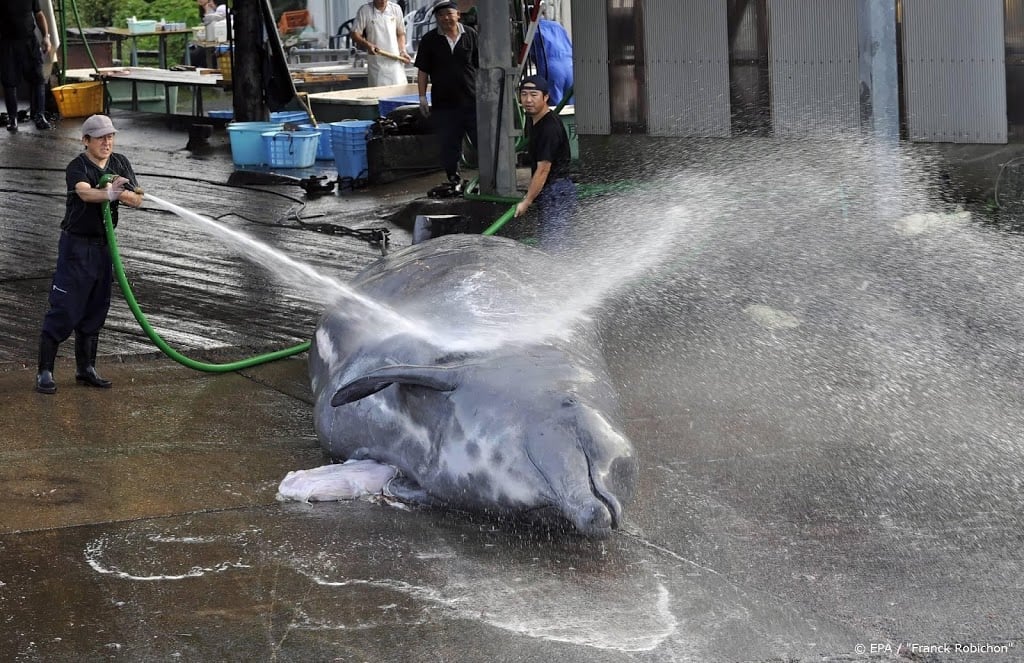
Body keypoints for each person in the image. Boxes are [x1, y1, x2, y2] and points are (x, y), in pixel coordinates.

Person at [35, 115, 145, 394]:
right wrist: (109, 193)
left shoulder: (120, 162)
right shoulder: (77, 167)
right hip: (76, 246)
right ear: (86, 141)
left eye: (110, 136)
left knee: (97, 306)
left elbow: (138, 198)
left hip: (104, 245)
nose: (107, 142)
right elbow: (84, 193)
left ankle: (86, 369)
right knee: (66, 307)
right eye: (100, 138)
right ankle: (45, 371)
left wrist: (122, 193)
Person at [414, 1, 479, 188]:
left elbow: (480, 66)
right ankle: (453, 178)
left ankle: (488, 177)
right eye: (441, 15)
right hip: (444, 103)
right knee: (449, 143)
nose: (446, 18)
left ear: (458, 14)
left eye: (449, 14)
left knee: (481, 141)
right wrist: (422, 98)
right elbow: (422, 72)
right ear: (437, 18)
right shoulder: (429, 40)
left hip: (471, 100)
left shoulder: (471, 35)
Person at [513, 75, 576, 251]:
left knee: (554, 244)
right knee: (550, 241)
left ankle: (560, 275)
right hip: (551, 191)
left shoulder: (549, 127)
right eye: (524, 94)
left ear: (546, 97)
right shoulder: (537, 122)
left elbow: (543, 169)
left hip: (557, 191)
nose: (528, 100)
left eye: (534, 94)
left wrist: (527, 200)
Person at [0, 0, 53, 132]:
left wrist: (46, 37)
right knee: (9, 81)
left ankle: (40, 116)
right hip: (7, 43)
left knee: (38, 77)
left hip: (29, 41)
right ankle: (13, 119)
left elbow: (39, 14)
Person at [351, 0, 412, 87]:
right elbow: (355, 34)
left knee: (399, 91)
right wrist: (368, 45)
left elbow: (401, 33)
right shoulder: (365, 10)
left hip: (395, 61)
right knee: (379, 95)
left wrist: (402, 51)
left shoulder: (396, 9)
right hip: (377, 63)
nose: (383, 1)